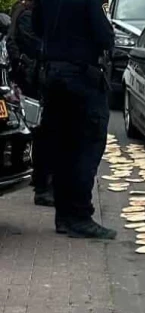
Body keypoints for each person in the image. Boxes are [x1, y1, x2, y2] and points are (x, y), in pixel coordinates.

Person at [33, 0, 115, 239]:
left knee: (61, 148)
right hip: (82, 77)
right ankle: (80, 216)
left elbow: (38, 26)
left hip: (52, 74)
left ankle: (64, 216)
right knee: (85, 147)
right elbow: (104, 37)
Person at [8, 0, 53, 207]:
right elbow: (35, 46)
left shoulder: (23, 10)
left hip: (28, 77)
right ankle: (40, 182)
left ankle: (34, 174)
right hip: (30, 78)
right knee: (40, 130)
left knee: (33, 128)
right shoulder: (26, 13)